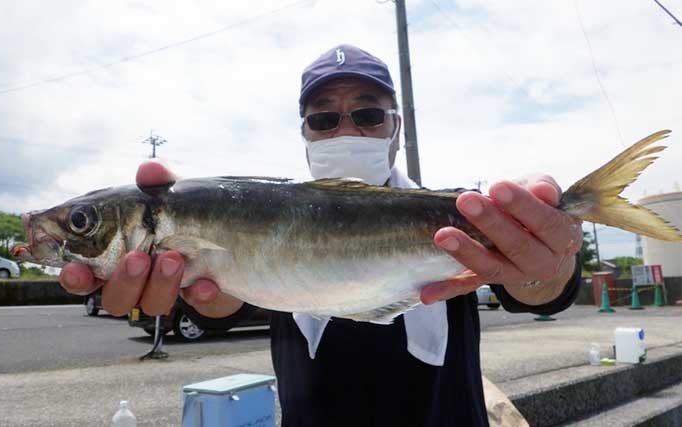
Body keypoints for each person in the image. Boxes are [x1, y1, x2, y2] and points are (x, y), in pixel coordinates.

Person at [59, 45, 583, 426]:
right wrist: (195, 295)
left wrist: (547, 266)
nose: (346, 130)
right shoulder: (264, 215)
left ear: (395, 127)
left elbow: (535, 292)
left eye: (368, 114)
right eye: (325, 118)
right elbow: (222, 303)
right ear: (305, 133)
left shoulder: (452, 212)